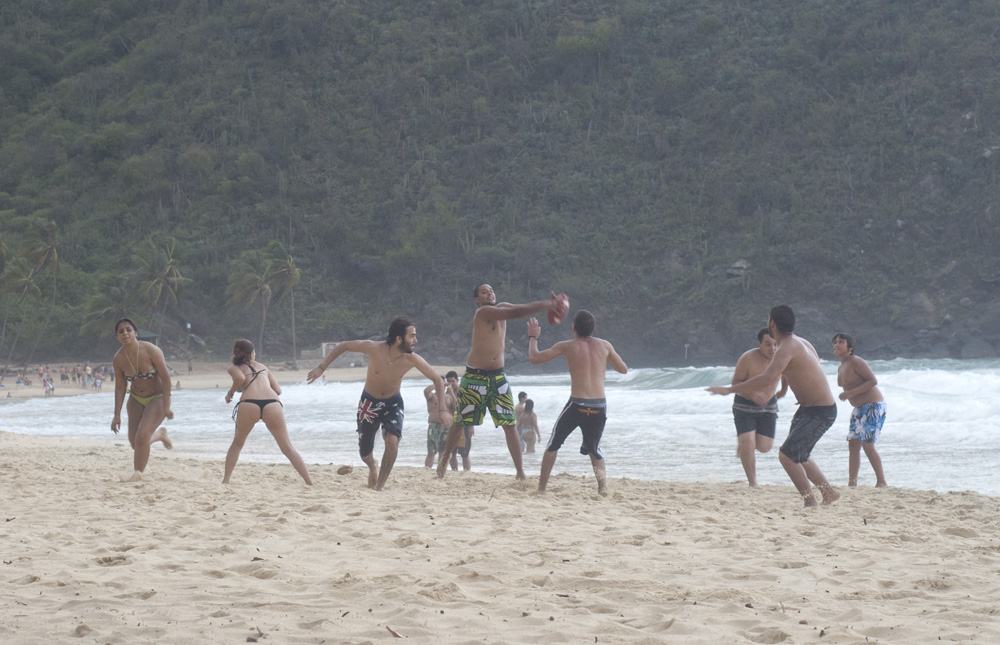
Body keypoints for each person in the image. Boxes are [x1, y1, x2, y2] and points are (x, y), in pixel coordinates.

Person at [707, 305, 840, 507]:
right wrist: (801, 390)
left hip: (820, 411)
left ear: (772, 324)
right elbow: (809, 368)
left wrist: (729, 389)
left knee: (787, 456)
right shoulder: (799, 342)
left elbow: (767, 378)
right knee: (799, 455)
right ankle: (828, 493)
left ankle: (810, 502)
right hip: (810, 408)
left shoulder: (787, 347)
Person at [436, 284, 567, 481]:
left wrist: (536, 330)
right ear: (477, 300)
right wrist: (547, 304)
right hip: (474, 377)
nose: (489, 293)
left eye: (491, 290)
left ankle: (520, 472)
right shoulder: (482, 312)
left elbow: (519, 308)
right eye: (484, 292)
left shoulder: (501, 307)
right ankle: (444, 461)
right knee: (460, 421)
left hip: (498, 377)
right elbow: (514, 313)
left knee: (509, 424)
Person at [308, 317, 446, 491]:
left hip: (393, 403)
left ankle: (379, 486)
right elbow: (343, 345)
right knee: (365, 454)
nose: (416, 340)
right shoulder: (374, 348)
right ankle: (373, 465)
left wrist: (442, 410)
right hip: (369, 403)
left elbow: (437, 380)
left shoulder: (411, 359)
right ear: (398, 338)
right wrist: (321, 367)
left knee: (392, 443)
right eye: (412, 336)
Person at [527, 310, 628, 495]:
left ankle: (541, 489)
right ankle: (603, 489)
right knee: (594, 448)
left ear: (573, 328)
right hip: (599, 406)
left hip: (577, 405)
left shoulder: (566, 346)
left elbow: (534, 358)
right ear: (594, 328)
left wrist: (533, 337)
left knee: (553, 444)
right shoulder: (605, 345)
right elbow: (623, 369)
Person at [223, 339, 313, 485]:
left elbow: (239, 378)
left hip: (249, 403)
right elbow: (278, 390)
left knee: (237, 443)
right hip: (272, 403)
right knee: (287, 447)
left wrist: (231, 393)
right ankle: (309, 481)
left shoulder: (234, 367)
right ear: (252, 354)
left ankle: (226, 480)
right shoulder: (263, 367)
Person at [111, 317, 174, 479]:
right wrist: (116, 415)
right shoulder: (118, 359)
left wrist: (167, 406)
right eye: (121, 331)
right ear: (117, 336)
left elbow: (166, 379)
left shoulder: (151, 350)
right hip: (136, 399)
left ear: (135, 332)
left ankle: (137, 475)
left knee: (142, 436)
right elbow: (120, 387)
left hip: (157, 397)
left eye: (128, 330)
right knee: (135, 443)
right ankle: (159, 434)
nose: (125, 333)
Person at [728, 328, 789, 487]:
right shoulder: (747, 358)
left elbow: (787, 372)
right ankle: (753, 483)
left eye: (775, 345)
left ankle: (743, 441)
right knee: (748, 442)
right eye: (768, 344)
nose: (772, 349)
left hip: (768, 406)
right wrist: (753, 394)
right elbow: (735, 383)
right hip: (744, 404)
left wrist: (783, 390)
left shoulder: (781, 357)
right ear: (759, 344)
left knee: (764, 447)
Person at [833, 333, 888, 488]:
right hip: (858, 409)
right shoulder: (841, 367)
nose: (836, 345)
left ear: (850, 348)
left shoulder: (856, 361)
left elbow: (873, 381)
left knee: (868, 445)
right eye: (835, 342)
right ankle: (852, 483)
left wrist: (850, 393)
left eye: (841, 342)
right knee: (853, 444)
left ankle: (882, 482)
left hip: (872, 406)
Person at [424, 371, 459, 469]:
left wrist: (451, 393)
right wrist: (438, 383)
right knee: (432, 451)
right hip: (434, 425)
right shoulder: (432, 396)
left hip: (447, 426)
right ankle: (427, 469)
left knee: (443, 451)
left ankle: (440, 469)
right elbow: (426, 391)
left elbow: (457, 408)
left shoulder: (448, 397)